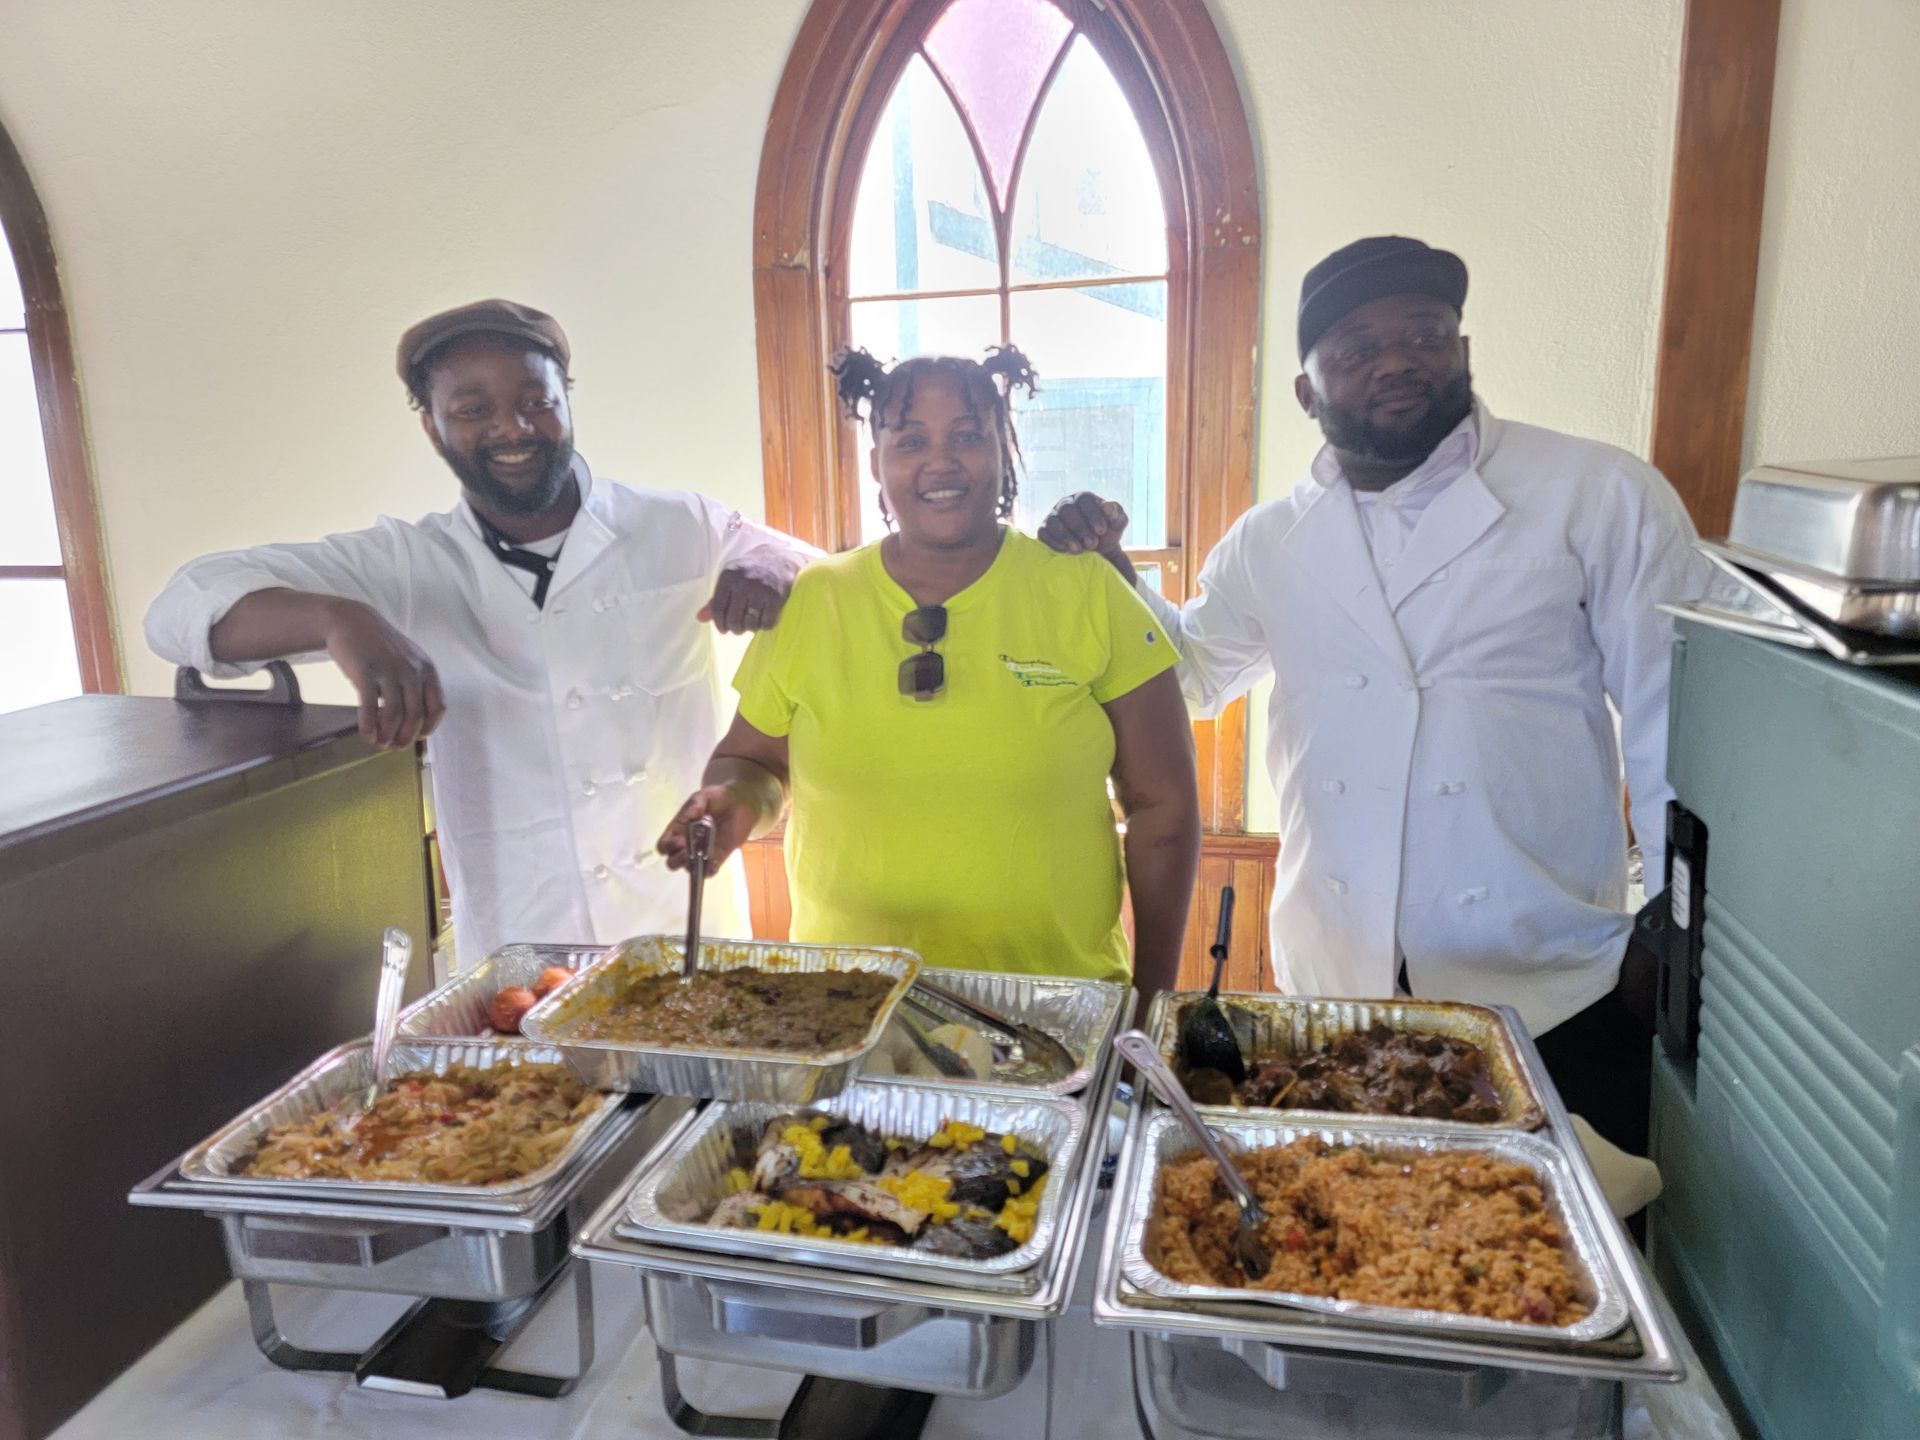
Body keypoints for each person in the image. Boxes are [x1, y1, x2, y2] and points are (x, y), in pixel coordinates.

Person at [1041, 236, 1720, 1151]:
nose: (1398, 361)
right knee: (1356, 1244)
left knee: (1552, 1255)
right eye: (1357, 349)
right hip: (1335, 988)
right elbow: (1194, 677)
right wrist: (1112, 575)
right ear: (1307, 391)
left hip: (1555, 979)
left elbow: (1677, 717)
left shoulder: (1595, 493)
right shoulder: (1270, 540)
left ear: (1464, 352)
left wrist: (1674, 921)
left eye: (1425, 335)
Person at [146, 299, 813, 961]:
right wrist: (337, 618)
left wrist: (767, 564)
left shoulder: (678, 525)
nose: (512, 427)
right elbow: (181, 608)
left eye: (536, 400)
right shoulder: (405, 565)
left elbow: (813, 570)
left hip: (686, 937)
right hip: (520, 961)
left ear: (567, 402)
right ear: (434, 430)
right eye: (473, 410)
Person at [656, 346, 1200, 997]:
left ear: (1004, 449)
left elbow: (1163, 806)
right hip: (846, 1005)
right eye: (911, 440)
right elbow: (756, 764)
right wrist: (732, 804)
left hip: (1056, 1005)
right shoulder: (814, 600)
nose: (940, 461)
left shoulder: (1086, 588)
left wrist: (1152, 1002)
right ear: (876, 463)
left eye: (967, 436)